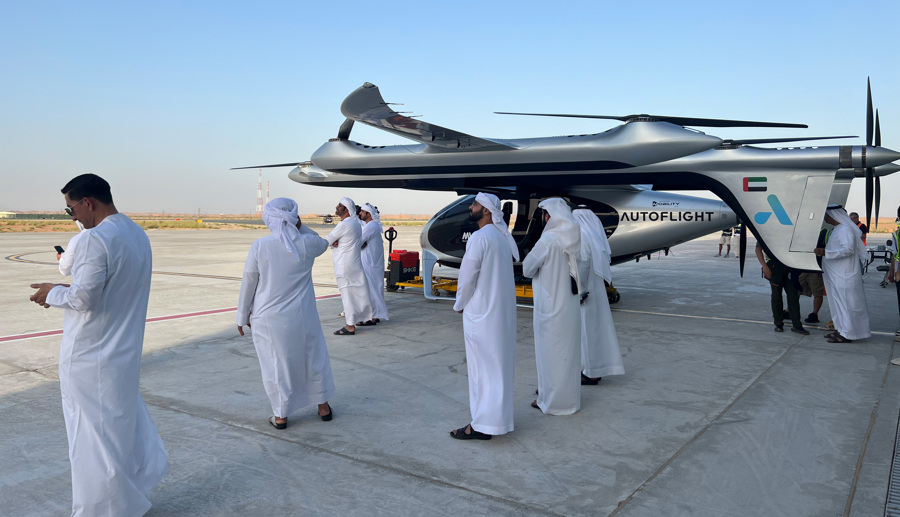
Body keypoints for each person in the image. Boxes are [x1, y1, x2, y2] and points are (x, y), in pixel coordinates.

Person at [29, 173, 168, 516]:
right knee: (116, 435)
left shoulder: (95, 238)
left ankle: (99, 510)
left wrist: (52, 292)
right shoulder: (136, 233)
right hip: (122, 354)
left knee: (90, 440)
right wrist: (61, 293)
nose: (72, 217)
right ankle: (124, 501)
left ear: (87, 202)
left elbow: (84, 297)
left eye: (70, 209)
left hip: (91, 356)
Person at [237, 198, 335, 429]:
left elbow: (249, 282)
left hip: (269, 318)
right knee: (313, 358)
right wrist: (298, 226)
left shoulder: (261, 246)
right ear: (296, 218)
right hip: (304, 316)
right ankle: (323, 406)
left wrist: (242, 316)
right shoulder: (306, 243)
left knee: (276, 364)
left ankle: (281, 415)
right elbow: (322, 242)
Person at [449, 193, 519, 440]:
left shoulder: (480, 238)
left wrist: (460, 303)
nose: (471, 207)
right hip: (500, 314)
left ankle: (480, 425)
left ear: (486, 210)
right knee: (496, 369)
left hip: (481, 314)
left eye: (475, 204)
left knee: (481, 371)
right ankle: (496, 420)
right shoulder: (501, 237)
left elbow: (467, 277)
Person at [523, 198, 582, 415]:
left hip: (550, 308)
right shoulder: (573, 239)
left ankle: (552, 402)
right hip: (570, 305)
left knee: (550, 355)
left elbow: (528, 268)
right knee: (567, 355)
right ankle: (569, 400)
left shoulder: (548, 240)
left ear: (550, 216)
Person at [572, 208, 624, 385]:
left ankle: (590, 372)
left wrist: (580, 291)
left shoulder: (582, 236)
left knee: (586, 332)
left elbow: (583, 265)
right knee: (595, 330)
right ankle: (596, 368)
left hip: (586, 294)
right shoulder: (593, 237)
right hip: (596, 292)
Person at [814, 205, 871, 343]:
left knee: (847, 304)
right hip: (836, 275)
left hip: (844, 275)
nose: (825, 218)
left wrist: (825, 252)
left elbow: (848, 250)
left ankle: (849, 334)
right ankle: (841, 328)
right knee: (837, 303)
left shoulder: (845, 230)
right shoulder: (838, 229)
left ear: (834, 215)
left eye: (827, 215)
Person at [326, 197, 373, 335]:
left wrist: (332, 243)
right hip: (354, 263)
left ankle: (349, 326)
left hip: (344, 264)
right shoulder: (356, 224)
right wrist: (334, 242)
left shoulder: (344, 224)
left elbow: (328, 239)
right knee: (355, 293)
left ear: (346, 209)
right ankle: (358, 318)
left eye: (339, 205)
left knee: (347, 294)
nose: (337, 207)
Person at [755, 243, 809, 335]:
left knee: (793, 297)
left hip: (790, 267)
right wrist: (765, 266)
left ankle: (797, 324)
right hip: (774, 268)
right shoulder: (766, 231)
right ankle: (778, 324)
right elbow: (758, 249)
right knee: (776, 297)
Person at [358, 203, 389, 326]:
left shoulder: (371, 226)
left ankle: (373, 317)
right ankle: (374, 316)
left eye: (362, 212)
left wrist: (360, 243)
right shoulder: (371, 226)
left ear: (368, 214)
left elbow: (358, 242)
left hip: (371, 264)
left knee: (372, 290)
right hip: (372, 263)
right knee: (373, 290)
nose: (360, 213)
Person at [800, 228, 829, 325]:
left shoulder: (824, 232)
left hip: (815, 267)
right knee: (795, 289)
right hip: (802, 266)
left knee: (817, 291)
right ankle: (789, 310)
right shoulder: (803, 230)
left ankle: (814, 313)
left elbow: (825, 250)